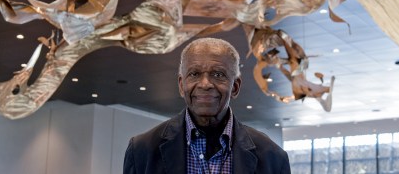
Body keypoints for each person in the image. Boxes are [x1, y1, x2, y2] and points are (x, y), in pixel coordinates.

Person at [123, 37, 291, 174]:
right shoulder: (142, 151)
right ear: (182, 85)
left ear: (235, 87)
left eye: (218, 74)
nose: (205, 84)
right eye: (194, 74)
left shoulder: (272, 157)